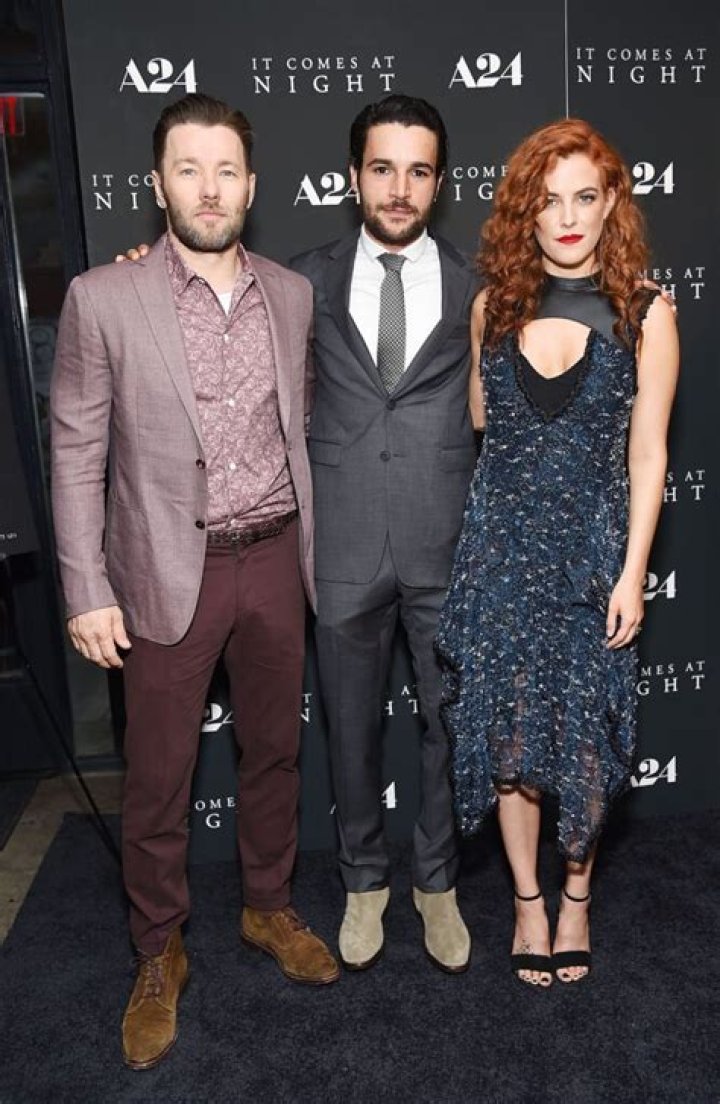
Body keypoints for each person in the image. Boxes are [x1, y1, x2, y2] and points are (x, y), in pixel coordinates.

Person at [50, 92, 338, 1072]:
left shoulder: (290, 296)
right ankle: (157, 949)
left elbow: (299, 423)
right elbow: (75, 450)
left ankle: (268, 906)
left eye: (225, 171)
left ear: (250, 187)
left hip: (276, 559)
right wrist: (86, 586)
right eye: (188, 169)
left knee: (275, 755)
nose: (208, 189)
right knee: (158, 779)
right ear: (158, 183)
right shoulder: (103, 298)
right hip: (164, 572)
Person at [436, 118, 679, 987]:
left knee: (581, 737)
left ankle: (577, 897)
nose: (568, 217)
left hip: (589, 561)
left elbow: (648, 454)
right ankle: (527, 903)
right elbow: (481, 420)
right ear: (524, 212)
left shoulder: (646, 313)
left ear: (612, 202)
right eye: (548, 201)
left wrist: (632, 573)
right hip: (500, 557)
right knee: (509, 742)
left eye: (584, 197)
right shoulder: (492, 308)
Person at [291, 95, 477, 973]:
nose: (399, 188)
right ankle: (364, 880)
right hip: (343, 539)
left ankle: (436, 882)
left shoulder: (481, 285)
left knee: (450, 725)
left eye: (418, 170)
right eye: (382, 168)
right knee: (350, 727)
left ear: (439, 184)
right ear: (353, 176)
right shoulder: (302, 282)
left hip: (448, 539)